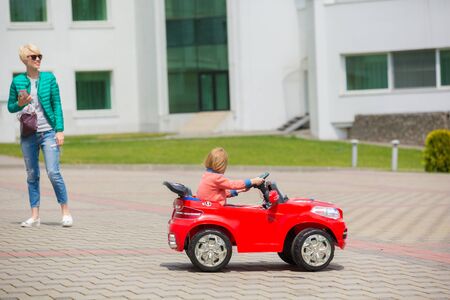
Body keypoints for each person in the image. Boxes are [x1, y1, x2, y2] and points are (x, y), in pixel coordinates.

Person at [7, 44, 73, 227]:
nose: (38, 59)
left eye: (39, 56)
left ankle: (66, 212)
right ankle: (35, 216)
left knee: (53, 172)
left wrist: (59, 130)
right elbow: (11, 107)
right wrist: (20, 103)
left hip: (48, 132)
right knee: (32, 174)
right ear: (25, 59)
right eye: (34, 57)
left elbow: (57, 104)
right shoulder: (17, 81)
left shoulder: (49, 78)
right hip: (28, 134)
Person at [196, 147, 265, 205]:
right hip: (215, 209)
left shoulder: (207, 175)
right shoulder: (216, 178)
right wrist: (252, 181)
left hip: (210, 206)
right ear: (221, 165)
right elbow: (232, 184)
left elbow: (216, 194)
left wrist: (239, 191)